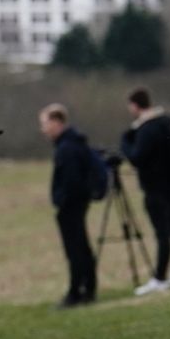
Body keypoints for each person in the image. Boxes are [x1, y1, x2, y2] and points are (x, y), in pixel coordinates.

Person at [120, 88, 170, 295]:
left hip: (154, 186)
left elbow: (137, 157)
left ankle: (159, 277)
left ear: (134, 105)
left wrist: (125, 142)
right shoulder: (166, 122)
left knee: (162, 232)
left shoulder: (147, 128)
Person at [42, 104, 98, 308]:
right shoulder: (74, 143)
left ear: (57, 122)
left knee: (75, 249)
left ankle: (76, 291)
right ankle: (89, 288)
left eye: (46, 123)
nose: (44, 129)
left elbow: (71, 180)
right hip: (78, 203)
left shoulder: (67, 148)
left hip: (71, 205)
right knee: (82, 246)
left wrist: (61, 200)